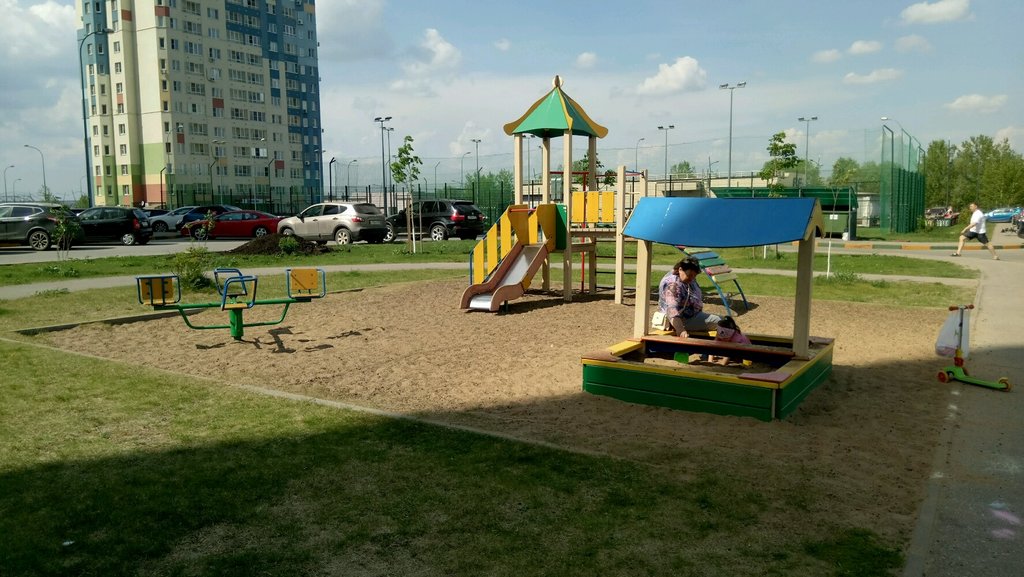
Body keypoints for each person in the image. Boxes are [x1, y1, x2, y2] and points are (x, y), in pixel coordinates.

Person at [658, 258, 722, 337]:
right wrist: (680, 330)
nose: (692, 278)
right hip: (681, 321)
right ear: (680, 269)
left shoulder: (682, 277)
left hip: (691, 315)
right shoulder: (673, 285)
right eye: (690, 275)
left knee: (724, 321)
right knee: (723, 323)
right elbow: (671, 309)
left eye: (694, 275)